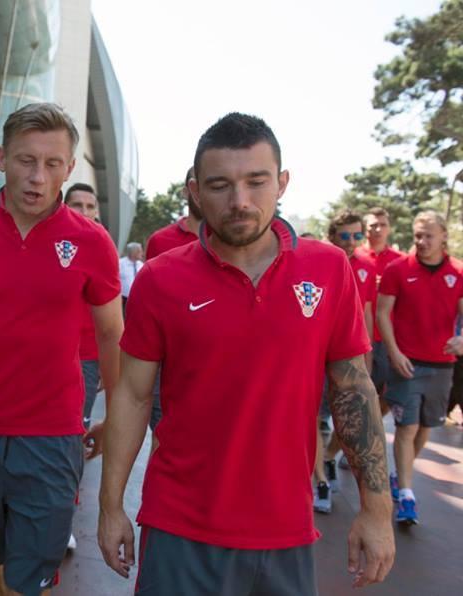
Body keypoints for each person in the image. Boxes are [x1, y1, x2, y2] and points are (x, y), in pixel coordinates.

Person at [99, 113, 394, 595]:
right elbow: (132, 396)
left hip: (286, 528)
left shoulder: (327, 269)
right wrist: (111, 507)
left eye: (256, 182)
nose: (239, 201)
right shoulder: (160, 277)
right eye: (220, 185)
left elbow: (353, 390)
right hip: (179, 525)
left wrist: (377, 509)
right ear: (196, 191)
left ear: (282, 183)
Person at [0, 102, 124, 596]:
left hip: (53, 435)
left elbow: (113, 335)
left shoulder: (92, 242)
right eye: (26, 160)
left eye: (53, 164)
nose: (37, 177)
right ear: (1, 158)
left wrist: (118, 415)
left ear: (69, 168)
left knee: (33, 573)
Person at [377, 210, 463, 525]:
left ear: (443, 236)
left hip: (442, 365)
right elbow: (382, 313)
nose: (422, 241)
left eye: (429, 235)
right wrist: (394, 352)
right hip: (406, 363)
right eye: (418, 235)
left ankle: (400, 477)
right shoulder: (398, 269)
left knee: (426, 427)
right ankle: (407, 495)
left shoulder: (458, 272)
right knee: (406, 427)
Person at [314, 210, 377, 514]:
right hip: (317, 355)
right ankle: (321, 482)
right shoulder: (320, 261)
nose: (352, 241)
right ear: (332, 236)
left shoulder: (367, 267)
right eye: (345, 235)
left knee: (351, 419)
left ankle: (328, 457)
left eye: (358, 235)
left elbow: (366, 312)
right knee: (314, 420)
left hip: (350, 356)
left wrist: (367, 354)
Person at [139, 167, 202, 441]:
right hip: (166, 360)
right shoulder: (161, 241)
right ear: (188, 190)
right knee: (165, 434)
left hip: (209, 360)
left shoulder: (232, 242)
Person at [64, 182, 104, 429]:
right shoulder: (43, 243)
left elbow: (111, 323)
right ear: (64, 207)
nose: (84, 212)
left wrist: (108, 369)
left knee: (78, 427)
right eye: (77, 205)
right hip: (46, 355)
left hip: (87, 357)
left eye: (90, 207)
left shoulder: (103, 250)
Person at [355, 207, 404, 402]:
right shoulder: (353, 256)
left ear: (389, 228)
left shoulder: (400, 261)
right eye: (373, 225)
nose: (378, 229)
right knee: (358, 393)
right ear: (364, 228)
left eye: (383, 225)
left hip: (388, 337)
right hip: (358, 336)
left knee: (386, 394)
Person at [143, 167, 201, 260]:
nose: (204, 195)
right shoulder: (159, 241)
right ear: (185, 193)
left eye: (215, 187)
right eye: (197, 188)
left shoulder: (225, 238)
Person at [119, 242, 143, 309]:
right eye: (139, 251)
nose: (142, 254)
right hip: (123, 299)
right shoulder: (120, 264)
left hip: (137, 299)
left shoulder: (141, 265)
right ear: (133, 252)